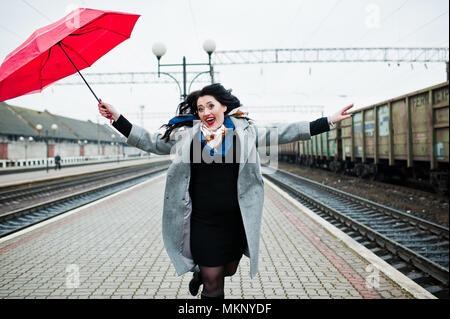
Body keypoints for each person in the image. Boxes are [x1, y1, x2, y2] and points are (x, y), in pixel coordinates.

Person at [98, 83, 353, 299]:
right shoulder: (186, 135)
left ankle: (200, 270)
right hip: (201, 220)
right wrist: (117, 117)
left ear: (223, 107)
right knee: (213, 280)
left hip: (235, 220)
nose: (205, 112)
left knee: (228, 269)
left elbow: (284, 132)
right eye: (200, 108)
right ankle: (204, 273)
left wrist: (327, 121)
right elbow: (151, 142)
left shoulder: (245, 131)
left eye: (210, 106)